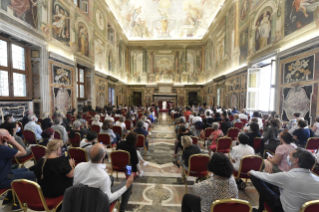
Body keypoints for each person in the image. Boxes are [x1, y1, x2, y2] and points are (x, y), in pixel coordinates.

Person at [248, 148, 319, 212]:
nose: (288, 157)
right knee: (273, 186)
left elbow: (265, 176)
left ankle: (260, 208)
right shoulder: (317, 179)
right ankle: (260, 209)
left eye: (290, 155)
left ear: (296, 160)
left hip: (283, 209)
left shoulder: (288, 176)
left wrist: (251, 171)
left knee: (256, 177)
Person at [74, 143, 134, 212]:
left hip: (82, 201)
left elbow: (75, 186)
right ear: (103, 155)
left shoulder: (78, 166)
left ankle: (107, 190)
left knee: (111, 177)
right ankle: (122, 210)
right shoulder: (103, 176)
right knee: (129, 184)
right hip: (97, 205)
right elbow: (108, 199)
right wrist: (127, 185)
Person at [0, 129, 36, 211]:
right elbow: (23, 152)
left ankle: (10, 197)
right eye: (9, 135)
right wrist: (13, 141)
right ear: (3, 137)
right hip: (3, 179)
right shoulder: (3, 149)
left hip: (5, 174)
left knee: (25, 170)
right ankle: (20, 202)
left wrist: (5, 140)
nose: (11, 136)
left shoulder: (3, 147)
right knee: (33, 174)